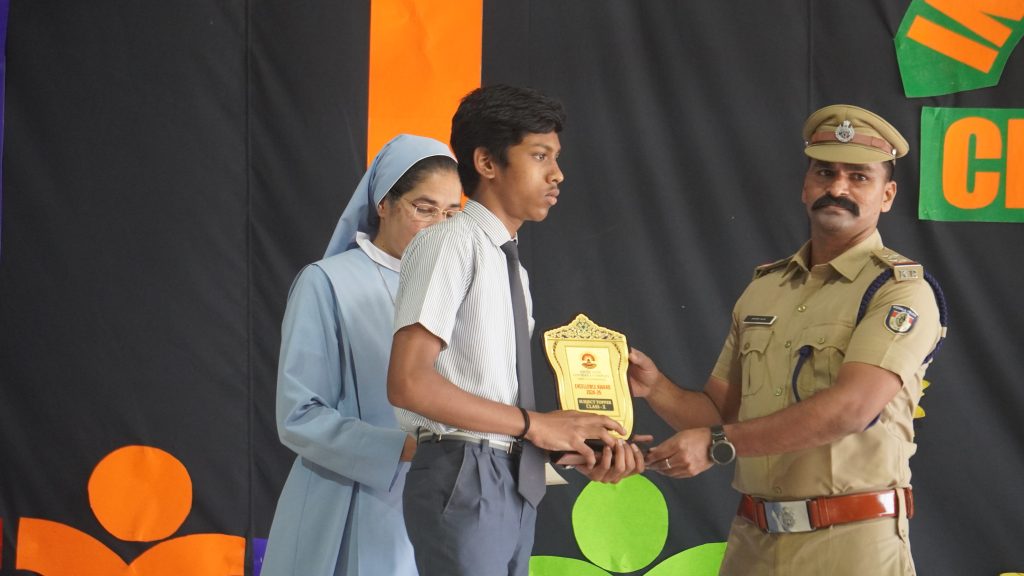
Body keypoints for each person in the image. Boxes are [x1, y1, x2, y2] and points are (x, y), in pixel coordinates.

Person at [629, 104, 946, 576]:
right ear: (805, 186)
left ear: (887, 195)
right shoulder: (765, 288)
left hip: (850, 544)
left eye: (859, 177)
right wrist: (655, 387)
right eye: (825, 172)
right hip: (753, 542)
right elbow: (720, 414)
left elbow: (851, 409)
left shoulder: (899, 291)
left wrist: (717, 443)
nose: (838, 188)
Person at [387, 84, 647, 576]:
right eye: (539, 155)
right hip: (464, 470)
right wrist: (535, 424)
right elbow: (408, 383)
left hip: (511, 472)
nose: (557, 173)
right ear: (487, 162)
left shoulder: (511, 267)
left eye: (556, 157)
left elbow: (492, 396)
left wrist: (569, 440)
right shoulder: (449, 243)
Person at [261, 134, 463, 576]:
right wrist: (401, 449)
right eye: (424, 208)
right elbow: (299, 415)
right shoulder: (327, 282)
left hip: (445, 500)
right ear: (383, 204)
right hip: (350, 499)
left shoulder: (460, 289)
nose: (440, 227)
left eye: (452, 213)